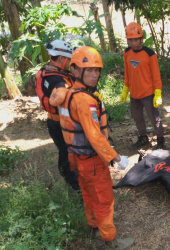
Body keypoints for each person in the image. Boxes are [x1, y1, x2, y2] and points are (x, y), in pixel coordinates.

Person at [50, 46, 135, 248]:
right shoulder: (84, 100)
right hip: (92, 160)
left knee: (88, 194)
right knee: (103, 200)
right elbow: (94, 135)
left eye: (97, 70)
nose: (94, 74)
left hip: (76, 158)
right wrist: (115, 157)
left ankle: (94, 225)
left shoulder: (68, 94)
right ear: (76, 71)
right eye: (89, 70)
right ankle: (110, 240)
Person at [35, 40, 80, 191]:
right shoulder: (56, 78)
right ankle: (74, 184)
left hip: (55, 121)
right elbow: (59, 97)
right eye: (69, 58)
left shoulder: (49, 72)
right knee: (68, 153)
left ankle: (70, 178)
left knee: (65, 150)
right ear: (61, 58)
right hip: (61, 123)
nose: (71, 62)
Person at [120, 22, 165, 149]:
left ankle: (160, 140)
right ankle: (143, 138)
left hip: (148, 94)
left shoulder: (150, 54)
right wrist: (125, 90)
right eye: (130, 40)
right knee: (137, 117)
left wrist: (157, 93)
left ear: (141, 39)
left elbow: (156, 75)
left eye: (136, 40)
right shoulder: (127, 52)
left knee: (154, 118)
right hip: (134, 94)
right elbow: (128, 73)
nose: (133, 43)